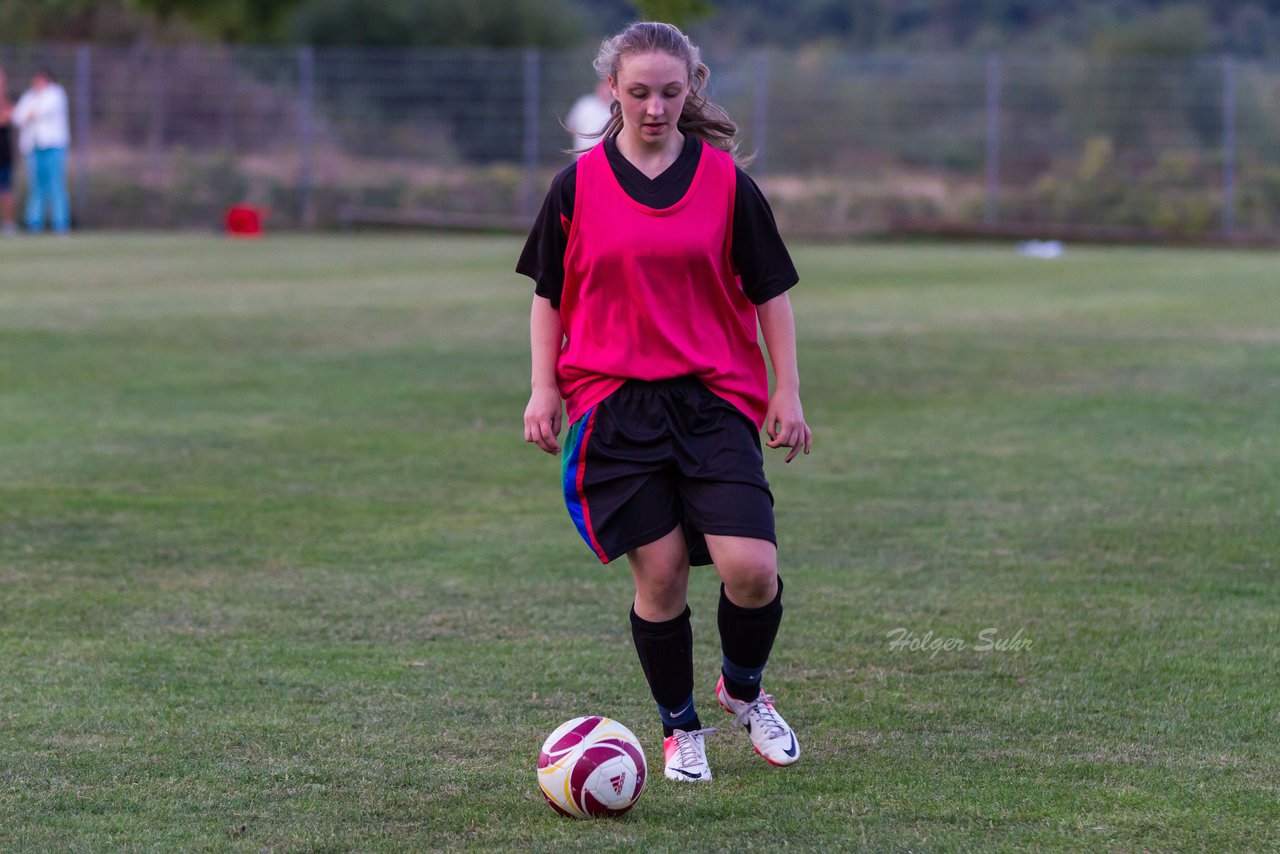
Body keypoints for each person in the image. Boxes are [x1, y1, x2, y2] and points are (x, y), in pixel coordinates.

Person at [517, 21, 812, 785]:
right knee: (664, 576)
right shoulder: (576, 187)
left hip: (712, 401)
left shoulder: (725, 183)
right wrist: (544, 387)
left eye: (670, 93)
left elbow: (770, 292)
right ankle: (681, 729)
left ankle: (742, 691)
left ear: (693, 90)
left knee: (753, 569)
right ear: (611, 90)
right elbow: (549, 299)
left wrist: (787, 389)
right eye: (639, 91)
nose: (654, 107)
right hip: (614, 407)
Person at [13, 69, 71, 234]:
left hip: (53, 146)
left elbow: (38, 113)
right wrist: (27, 115)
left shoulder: (56, 94)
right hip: (34, 147)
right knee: (36, 186)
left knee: (56, 185)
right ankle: (34, 224)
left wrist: (28, 114)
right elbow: (18, 117)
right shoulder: (29, 95)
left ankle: (60, 224)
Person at [565, 78, 614, 156]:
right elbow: (571, 127)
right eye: (604, 87)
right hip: (582, 154)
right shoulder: (584, 104)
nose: (606, 92)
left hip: (604, 157)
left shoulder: (614, 109)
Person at [0, 67, 16, 235]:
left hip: (3, 154)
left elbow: (6, 118)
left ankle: (9, 225)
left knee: (5, 191)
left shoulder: (9, 104)